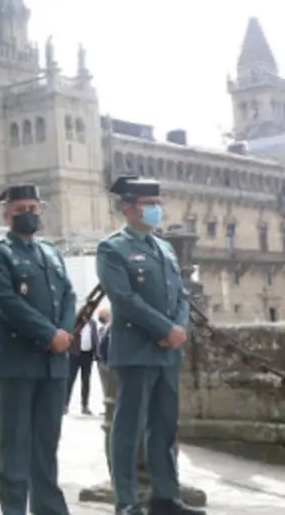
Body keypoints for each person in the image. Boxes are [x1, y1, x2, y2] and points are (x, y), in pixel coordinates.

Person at [97, 176, 203, 515]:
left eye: (158, 202)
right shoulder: (113, 248)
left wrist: (178, 328)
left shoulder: (165, 248)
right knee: (129, 428)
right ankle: (126, 499)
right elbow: (124, 299)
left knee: (165, 426)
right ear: (128, 209)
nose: (156, 209)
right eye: (148, 204)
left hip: (167, 352)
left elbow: (182, 295)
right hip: (136, 350)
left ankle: (165, 495)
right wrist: (162, 328)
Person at [0, 184, 75, 515]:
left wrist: (64, 331)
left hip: (54, 362)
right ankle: (13, 509)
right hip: (17, 361)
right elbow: (6, 302)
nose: (29, 215)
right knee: (14, 445)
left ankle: (49, 508)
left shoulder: (51, 252)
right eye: (21, 210)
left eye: (34, 209)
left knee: (47, 444)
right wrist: (48, 334)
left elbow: (68, 295)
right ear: (7, 215)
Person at [67, 292, 101, 415]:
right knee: (70, 379)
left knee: (86, 380)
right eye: (87, 309)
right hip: (75, 354)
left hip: (87, 355)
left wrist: (97, 353)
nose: (89, 312)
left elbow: (95, 339)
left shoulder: (92, 323)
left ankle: (85, 405)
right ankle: (65, 405)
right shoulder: (76, 322)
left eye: (90, 310)